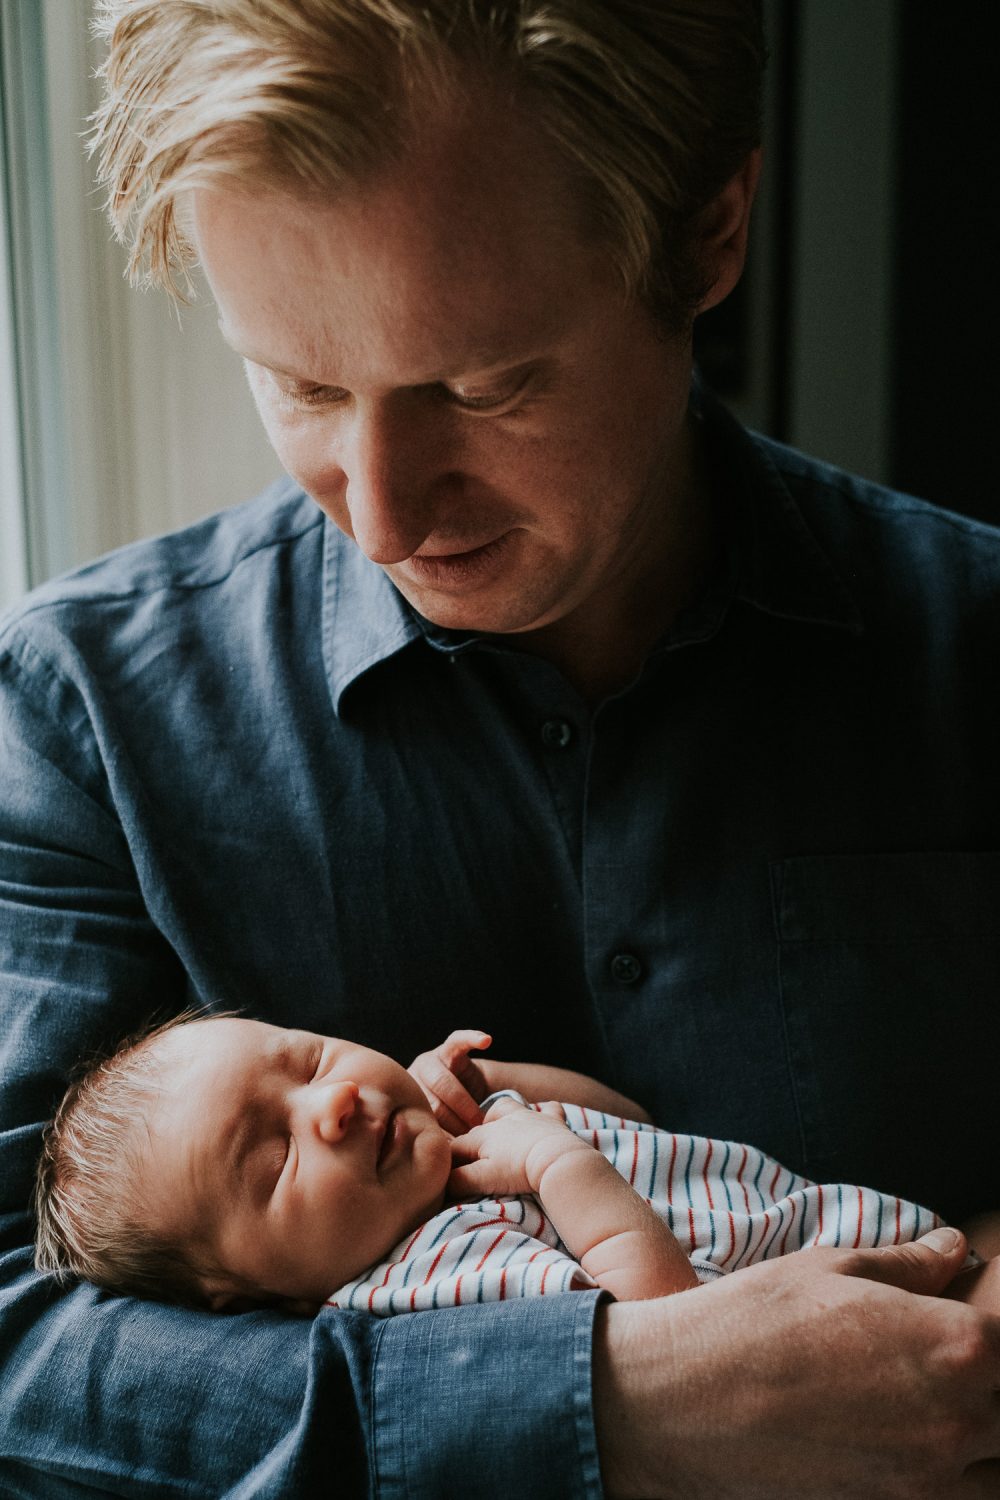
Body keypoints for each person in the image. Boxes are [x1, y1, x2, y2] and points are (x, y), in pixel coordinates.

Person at [2, 1, 1000, 1495]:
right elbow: (18, 1347)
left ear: (712, 233)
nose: (385, 513)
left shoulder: (976, 647)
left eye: (484, 386)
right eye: (306, 387)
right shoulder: (78, 715)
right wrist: (617, 1401)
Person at [32, 1014, 1000, 1322]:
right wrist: (554, 1166)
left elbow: (630, 1124)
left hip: (881, 1243)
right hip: (853, 1328)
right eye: (274, 1158)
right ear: (237, 1293)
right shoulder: (435, 1278)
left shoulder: (453, 1151)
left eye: (307, 1059)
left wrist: (499, 1088)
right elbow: (675, 1341)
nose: (327, 1105)